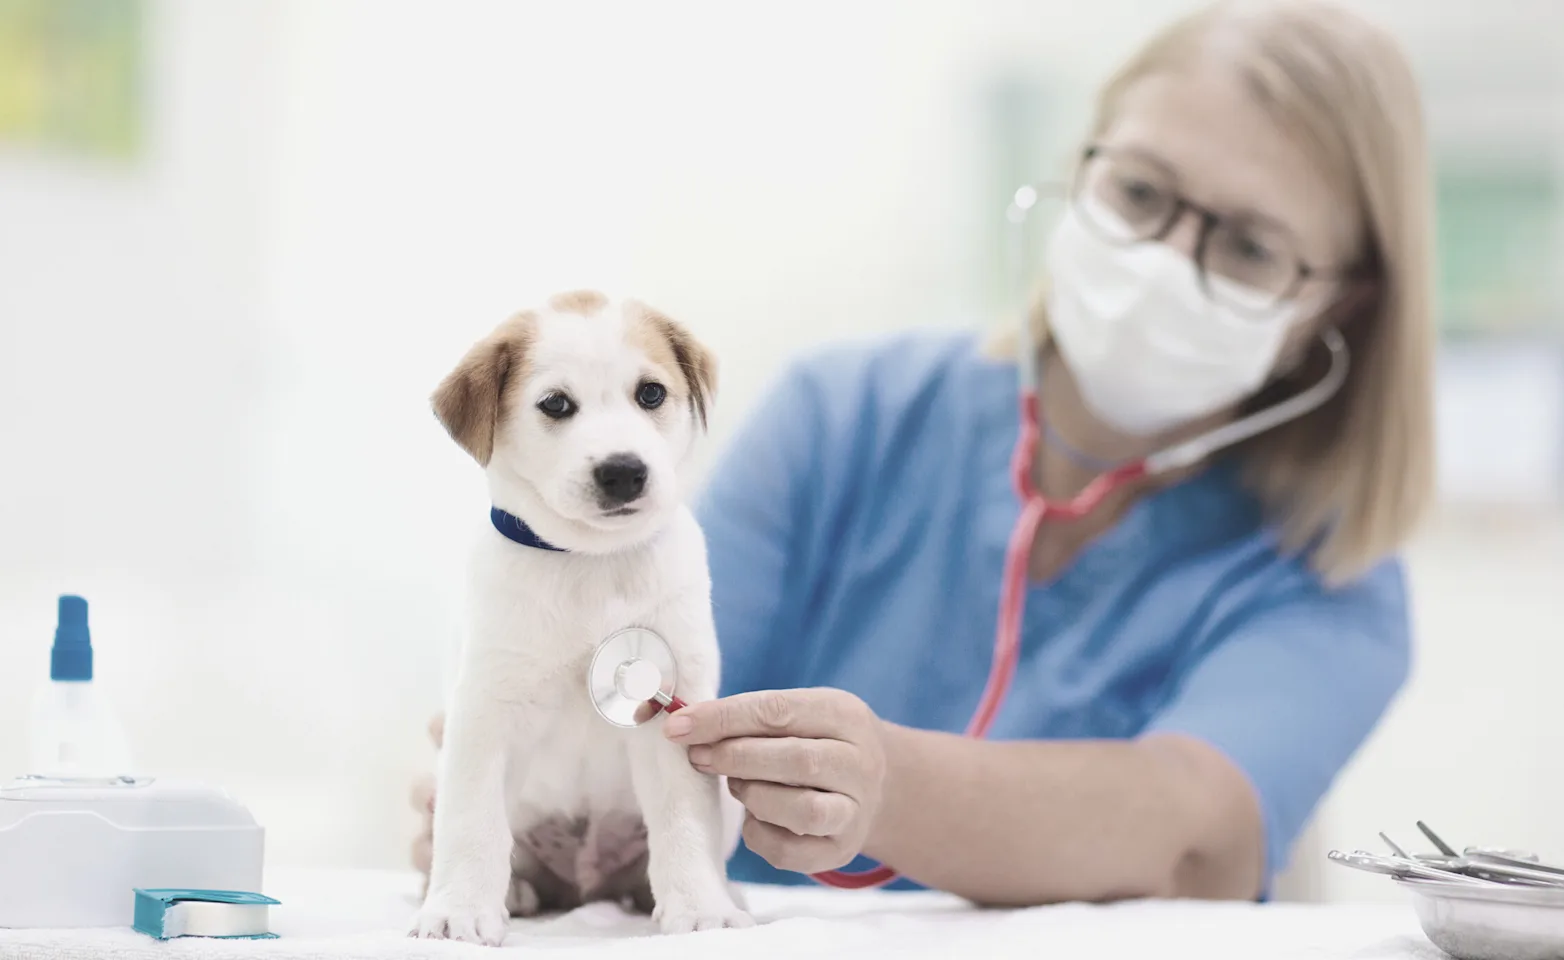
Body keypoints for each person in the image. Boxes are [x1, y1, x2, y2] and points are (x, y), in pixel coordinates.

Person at [412, 0, 1434, 906]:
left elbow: (1193, 838)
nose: (1164, 261)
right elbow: (647, 684)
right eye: (1139, 194)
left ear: (1335, 306)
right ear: (1082, 170)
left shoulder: (1333, 574)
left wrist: (883, 789)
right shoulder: (845, 411)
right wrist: (519, 794)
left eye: (1250, 246)